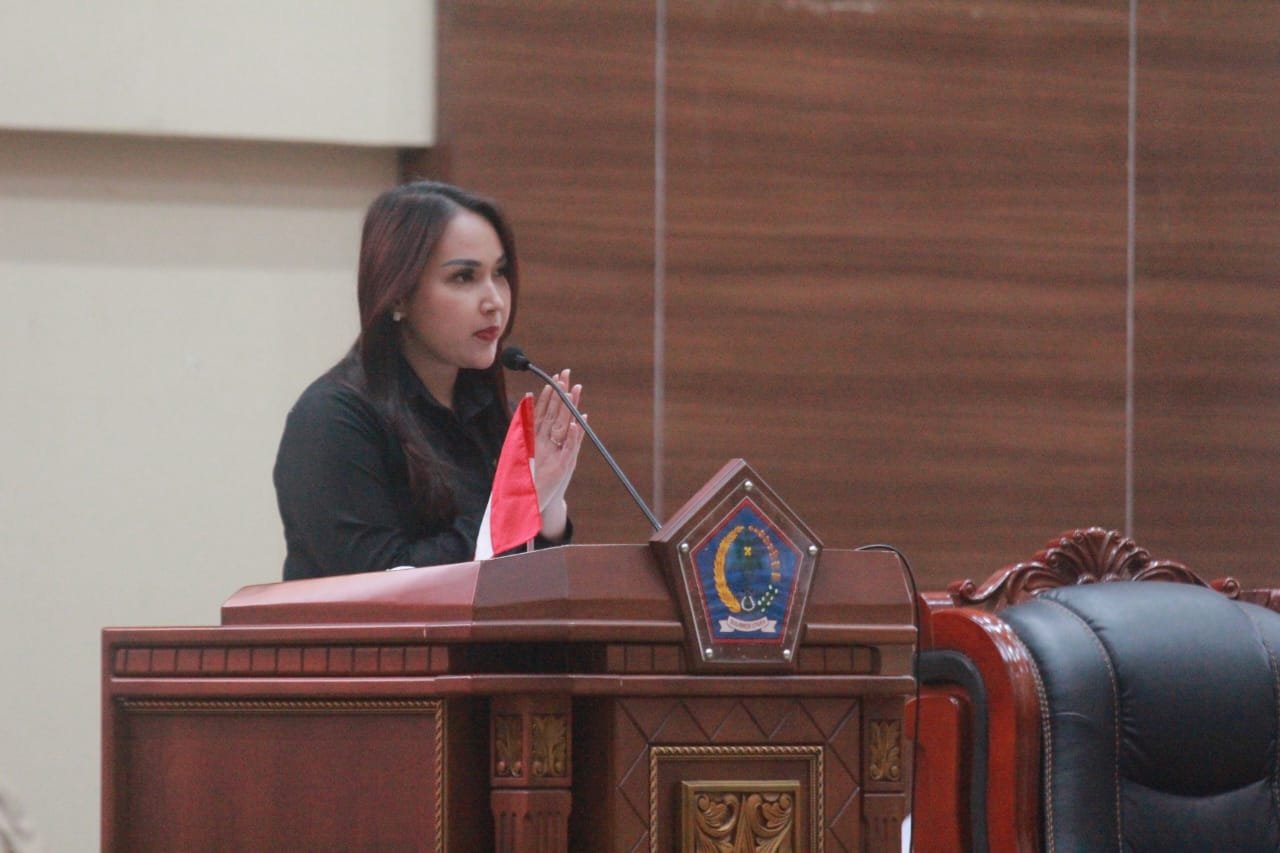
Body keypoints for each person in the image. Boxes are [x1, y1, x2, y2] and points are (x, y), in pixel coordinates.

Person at [273, 181, 585, 580]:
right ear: (398, 295)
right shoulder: (331, 420)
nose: (494, 301)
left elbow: (532, 583)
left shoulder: (490, 414)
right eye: (464, 277)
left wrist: (549, 509)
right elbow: (379, 583)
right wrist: (516, 505)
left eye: (499, 273)